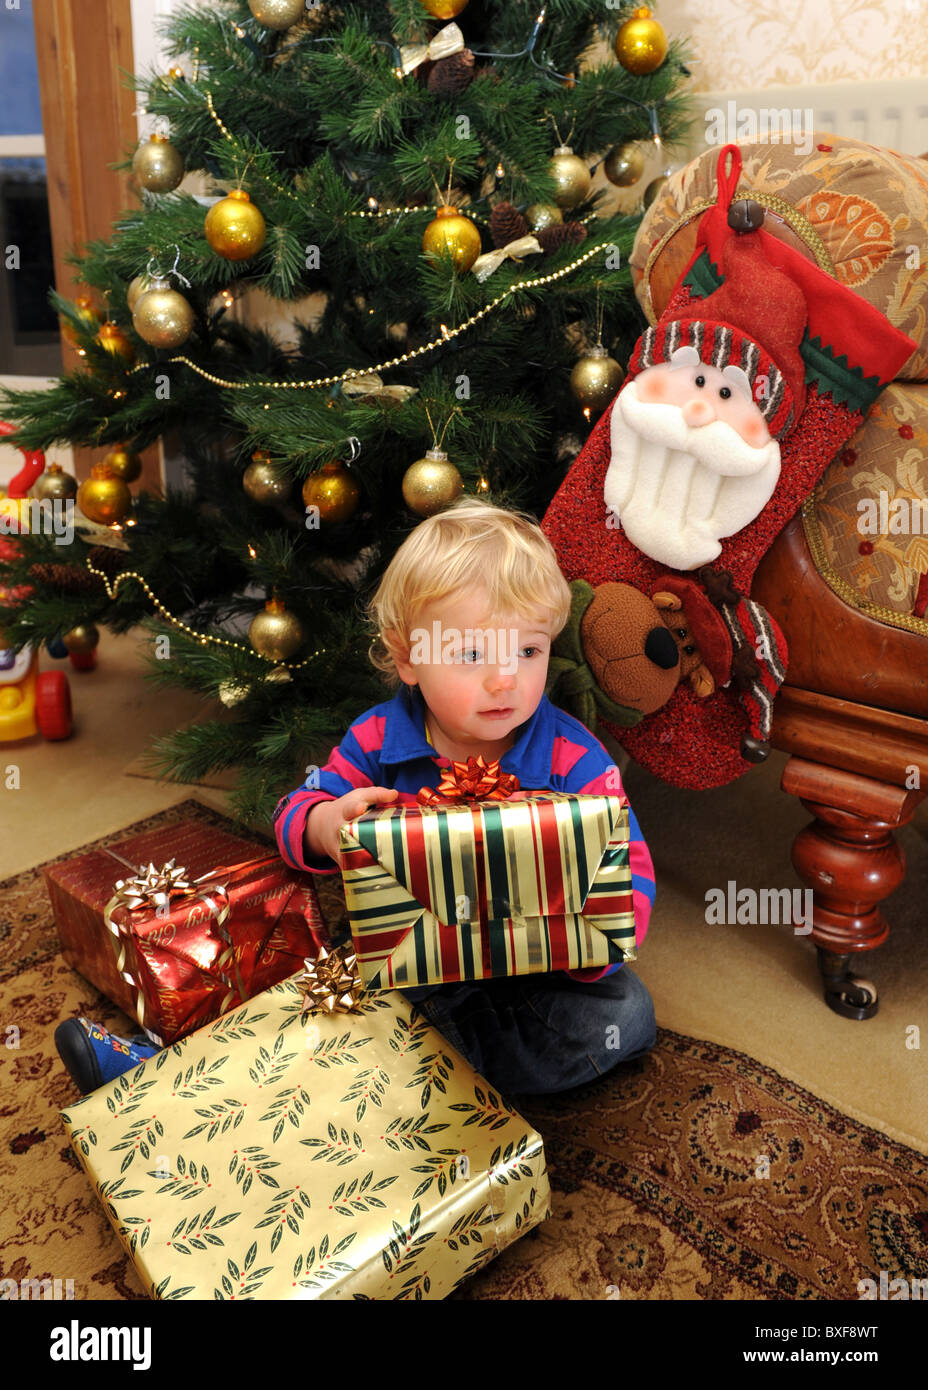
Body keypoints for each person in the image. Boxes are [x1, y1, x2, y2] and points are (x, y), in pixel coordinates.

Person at [274, 497, 656, 1095]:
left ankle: (413, 1074)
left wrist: (593, 945)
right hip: (411, 963)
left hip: (538, 972)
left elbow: (629, 869)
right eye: (472, 654)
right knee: (316, 972)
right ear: (408, 658)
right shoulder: (377, 738)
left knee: (626, 1013)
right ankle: (407, 1067)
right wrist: (327, 824)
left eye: (528, 651)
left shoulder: (575, 757)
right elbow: (295, 811)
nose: (505, 678)